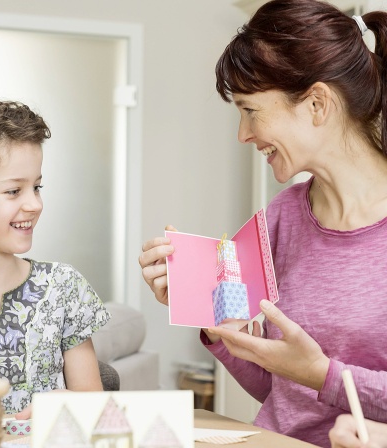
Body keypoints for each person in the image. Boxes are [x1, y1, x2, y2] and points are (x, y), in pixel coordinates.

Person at [139, 0, 387, 446]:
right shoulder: (281, 218)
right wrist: (212, 319)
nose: (242, 134)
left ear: (316, 103)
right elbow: (283, 391)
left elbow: (311, 378)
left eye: (250, 110)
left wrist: (321, 374)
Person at [0, 100, 110, 417]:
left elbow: (96, 413)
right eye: (14, 191)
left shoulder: (63, 287)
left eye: (37, 186)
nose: (35, 204)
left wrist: (71, 405)